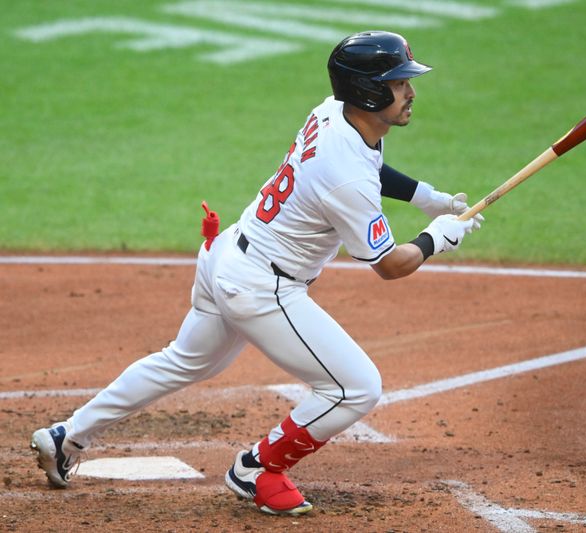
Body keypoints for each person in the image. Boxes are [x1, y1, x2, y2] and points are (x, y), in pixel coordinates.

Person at [30, 30, 483, 516]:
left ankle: (66, 437)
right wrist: (439, 236)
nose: (411, 91)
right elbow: (390, 265)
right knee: (356, 388)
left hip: (226, 257)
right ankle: (257, 467)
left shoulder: (332, 113)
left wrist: (429, 198)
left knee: (186, 360)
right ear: (369, 92)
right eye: (398, 83)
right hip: (262, 288)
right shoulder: (345, 177)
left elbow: (372, 166)